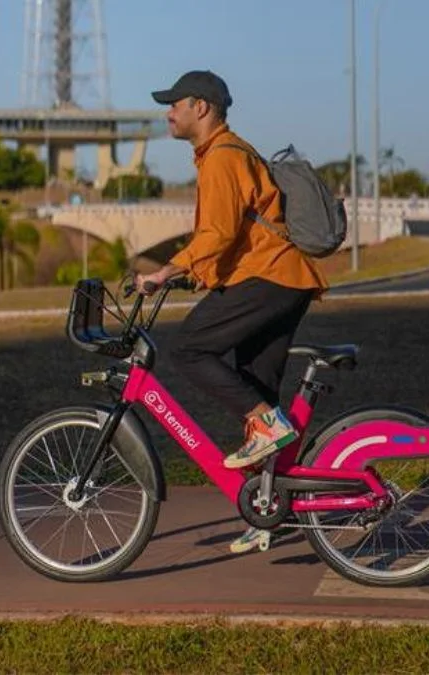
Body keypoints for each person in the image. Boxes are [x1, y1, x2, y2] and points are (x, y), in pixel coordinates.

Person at [134, 70, 329, 553]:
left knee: (190, 347)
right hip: (284, 280)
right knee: (255, 384)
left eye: (174, 104)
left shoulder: (222, 157)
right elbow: (233, 236)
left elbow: (217, 235)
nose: (168, 112)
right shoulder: (228, 152)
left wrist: (166, 271)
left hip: (270, 277)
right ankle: (269, 511)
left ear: (201, 107)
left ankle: (268, 424)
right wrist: (194, 276)